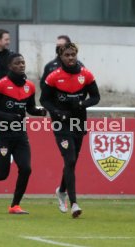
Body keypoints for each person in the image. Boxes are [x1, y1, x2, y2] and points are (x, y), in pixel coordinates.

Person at [0, 53, 47, 214]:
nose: (21, 65)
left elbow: (30, 108)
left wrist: (40, 112)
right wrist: (8, 116)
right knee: (2, 173)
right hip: (3, 135)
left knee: (26, 169)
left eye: (23, 62)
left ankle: (14, 205)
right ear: (10, 66)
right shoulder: (1, 85)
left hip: (20, 136)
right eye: (17, 63)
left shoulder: (30, 86)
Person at [40, 43, 100, 218]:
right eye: (67, 55)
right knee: (70, 158)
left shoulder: (86, 74)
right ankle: (74, 203)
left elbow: (96, 97)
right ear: (61, 56)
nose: (71, 58)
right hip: (61, 123)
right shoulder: (53, 77)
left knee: (71, 162)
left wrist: (82, 103)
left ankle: (61, 191)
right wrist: (57, 112)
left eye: (73, 54)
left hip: (78, 122)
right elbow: (45, 100)